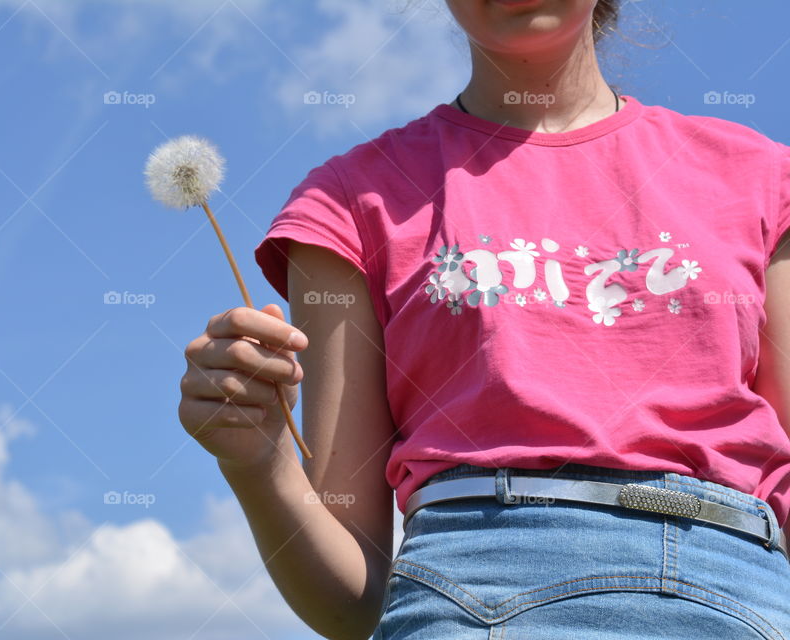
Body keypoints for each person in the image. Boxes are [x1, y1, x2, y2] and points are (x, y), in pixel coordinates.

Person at [179, 0, 790, 637]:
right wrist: (259, 461)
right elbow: (352, 604)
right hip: (465, 602)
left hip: (739, 598)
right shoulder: (348, 202)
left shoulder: (762, 178)